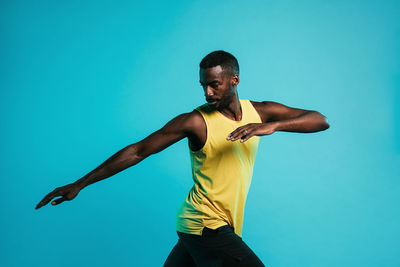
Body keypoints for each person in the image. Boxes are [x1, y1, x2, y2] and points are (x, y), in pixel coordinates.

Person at [35, 50, 330, 266]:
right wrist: (80, 184)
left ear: (234, 80)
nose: (207, 91)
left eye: (215, 84)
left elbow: (319, 120)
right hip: (205, 222)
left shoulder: (260, 111)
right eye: (203, 84)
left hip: (204, 226)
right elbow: (139, 150)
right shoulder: (195, 121)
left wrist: (274, 126)